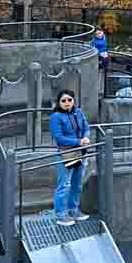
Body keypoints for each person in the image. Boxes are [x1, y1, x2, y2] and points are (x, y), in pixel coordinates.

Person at [48, 90, 92, 226]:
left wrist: (85, 137)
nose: (67, 103)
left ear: (73, 100)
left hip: (81, 152)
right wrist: (79, 142)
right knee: (64, 184)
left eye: (69, 100)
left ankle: (73, 209)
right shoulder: (56, 117)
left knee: (77, 184)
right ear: (59, 102)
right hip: (66, 153)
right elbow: (59, 138)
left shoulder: (78, 112)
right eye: (63, 101)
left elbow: (86, 127)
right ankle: (61, 213)